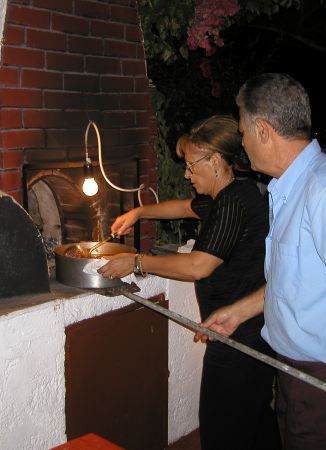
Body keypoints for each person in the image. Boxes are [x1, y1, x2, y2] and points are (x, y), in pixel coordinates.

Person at [197, 73, 326, 450]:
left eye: (243, 132)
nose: (242, 143)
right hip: (301, 375)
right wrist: (240, 312)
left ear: (262, 130)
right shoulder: (291, 188)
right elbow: (297, 279)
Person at [98, 115, 280, 450]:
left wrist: (136, 262)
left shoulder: (233, 202)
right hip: (248, 330)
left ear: (215, 160)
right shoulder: (225, 197)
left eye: (191, 165)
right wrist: (139, 213)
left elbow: (198, 266)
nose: (186, 173)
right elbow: (184, 208)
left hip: (240, 336)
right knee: (254, 422)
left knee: (222, 430)